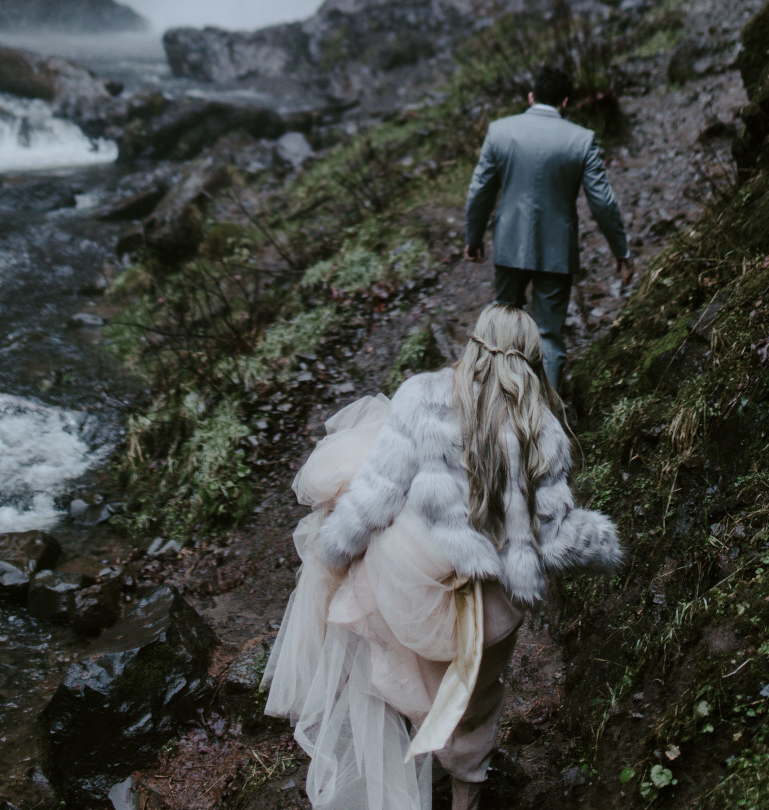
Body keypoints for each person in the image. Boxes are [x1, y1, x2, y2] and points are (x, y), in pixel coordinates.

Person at [263, 304, 621, 810]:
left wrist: (336, 547)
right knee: (476, 695)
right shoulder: (543, 425)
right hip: (492, 597)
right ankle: (465, 791)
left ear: (474, 343)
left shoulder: (423, 396)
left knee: (397, 663)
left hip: (416, 576)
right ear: (531, 357)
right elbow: (556, 536)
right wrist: (604, 544)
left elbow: (377, 496)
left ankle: (408, 756)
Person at [464, 61, 630, 393]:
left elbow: (480, 190)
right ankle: (547, 419)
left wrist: (474, 237)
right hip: (557, 251)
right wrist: (621, 250)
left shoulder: (500, 131)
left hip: (509, 245)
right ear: (565, 102)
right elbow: (603, 202)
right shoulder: (582, 140)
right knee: (549, 336)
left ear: (531, 97)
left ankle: (494, 406)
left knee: (499, 330)